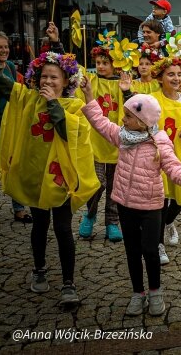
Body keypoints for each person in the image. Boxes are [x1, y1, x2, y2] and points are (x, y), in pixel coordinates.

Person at [0, 20, 100, 305]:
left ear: (64, 82)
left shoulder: (72, 107)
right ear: (36, 78)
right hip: (36, 174)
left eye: (54, 78)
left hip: (60, 178)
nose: (47, 82)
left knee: (62, 228)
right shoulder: (27, 98)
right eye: (44, 77)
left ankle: (69, 283)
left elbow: (65, 132)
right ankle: (39, 270)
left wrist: (53, 103)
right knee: (39, 225)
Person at [80, 81, 181, 316]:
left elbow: (172, 165)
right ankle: (138, 293)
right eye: (124, 115)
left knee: (150, 250)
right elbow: (100, 122)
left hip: (152, 206)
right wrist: (89, 95)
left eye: (128, 116)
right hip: (125, 204)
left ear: (144, 122)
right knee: (132, 250)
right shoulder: (122, 136)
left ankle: (155, 292)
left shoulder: (159, 141)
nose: (123, 119)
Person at [76, 35, 127, 242]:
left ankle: (112, 222)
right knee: (97, 184)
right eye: (98, 63)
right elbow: (73, 68)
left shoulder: (123, 84)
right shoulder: (91, 81)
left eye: (105, 63)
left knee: (115, 187)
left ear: (115, 64)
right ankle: (90, 214)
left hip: (117, 144)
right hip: (95, 143)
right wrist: (56, 44)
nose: (100, 66)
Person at [149, 57, 181, 265]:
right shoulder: (152, 99)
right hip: (158, 156)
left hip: (179, 153)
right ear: (160, 78)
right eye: (171, 74)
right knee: (161, 199)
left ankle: (169, 221)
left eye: (179, 74)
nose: (176, 78)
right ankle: (158, 242)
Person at [0, 30, 31, 222]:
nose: (4, 50)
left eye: (6, 46)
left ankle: (19, 210)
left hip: (9, 127)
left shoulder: (10, 67)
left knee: (15, 167)